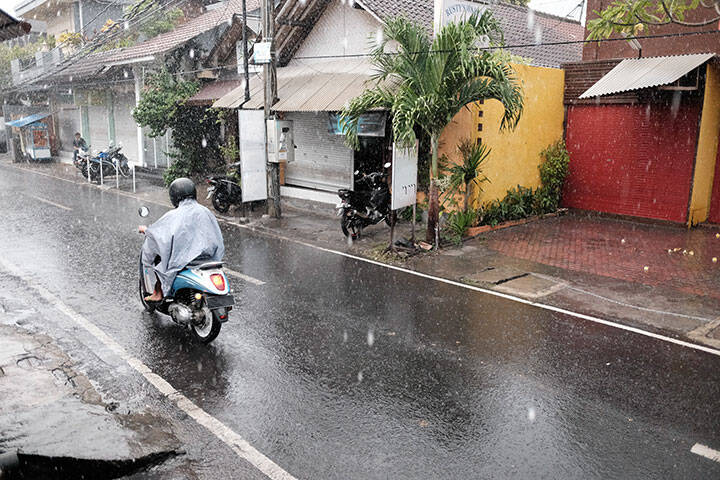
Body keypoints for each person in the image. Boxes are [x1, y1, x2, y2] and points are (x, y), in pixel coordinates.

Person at [139, 178, 225, 302]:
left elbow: (159, 236)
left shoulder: (174, 215)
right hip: (210, 258)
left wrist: (147, 231)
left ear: (174, 196)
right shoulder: (205, 211)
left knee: (159, 261)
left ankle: (158, 292)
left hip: (185, 261)